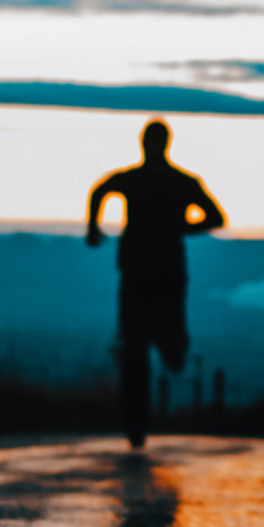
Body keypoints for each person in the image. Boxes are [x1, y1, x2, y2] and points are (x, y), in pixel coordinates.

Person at [87, 119, 226, 449]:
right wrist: (179, 226)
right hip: (166, 268)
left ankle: (136, 421)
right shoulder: (183, 182)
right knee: (145, 342)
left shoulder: (134, 180)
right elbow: (214, 217)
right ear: (166, 144)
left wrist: (93, 227)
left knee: (134, 344)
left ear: (144, 144)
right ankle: (140, 414)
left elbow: (100, 191)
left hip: (138, 269)